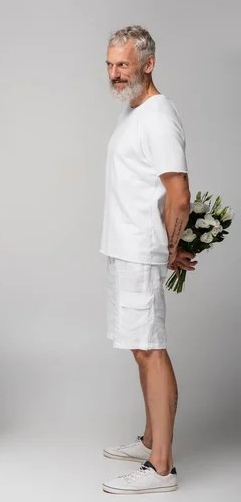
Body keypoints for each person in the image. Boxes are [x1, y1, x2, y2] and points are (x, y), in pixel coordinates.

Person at [100, 26, 196, 495]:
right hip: (126, 246)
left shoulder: (158, 116)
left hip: (141, 251)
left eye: (124, 65)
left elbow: (179, 194)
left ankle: (161, 467)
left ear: (148, 64)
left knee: (150, 349)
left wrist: (172, 247)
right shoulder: (133, 110)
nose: (115, 74)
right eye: (110, 65)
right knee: (142, 348)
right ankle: (150, 439)